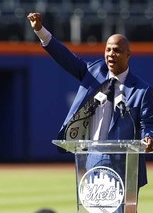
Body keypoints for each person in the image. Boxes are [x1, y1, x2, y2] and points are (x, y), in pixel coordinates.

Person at [27, 12, 153, 211]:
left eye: (117, 51)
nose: (111, 54)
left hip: (124, 165)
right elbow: (64, 57)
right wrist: (40, 31)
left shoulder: (141, 90)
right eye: (108, 50)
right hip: (91, 159)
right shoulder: (94, 73)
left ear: (128, 55)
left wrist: (148, 138)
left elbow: (148, 124)